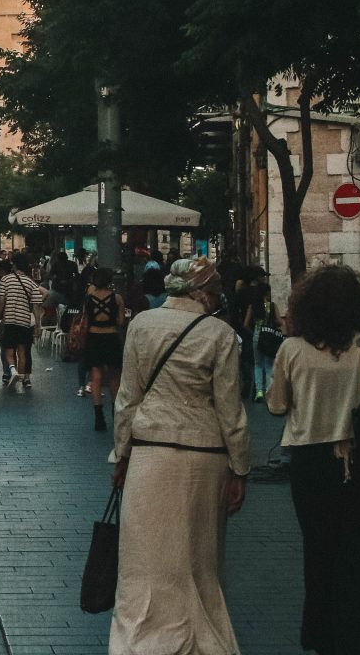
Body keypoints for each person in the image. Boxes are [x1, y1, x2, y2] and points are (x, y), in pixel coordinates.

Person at [109, 256, 251, 655]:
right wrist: (240, 467)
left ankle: (140, 638)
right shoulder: (220, 334)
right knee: (198, 559)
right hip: (205, 457)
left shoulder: (141, 325)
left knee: (145, 557)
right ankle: (197, 637)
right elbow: (230, 409)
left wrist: (121, 456)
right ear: (205, 293)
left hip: (149, 453)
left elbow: (128, 399)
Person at [263, 265, 360, 655]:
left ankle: (320, 634)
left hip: (311, 466)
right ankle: (356, 629)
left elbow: (276, 406)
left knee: (318, 549)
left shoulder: (292, 349)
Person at [80, 269, 126, 432]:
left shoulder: (88, 299)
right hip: (111, 337)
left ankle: (99, 417)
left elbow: (85, 319)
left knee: (96, 376)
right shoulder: (117, 299)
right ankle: (115, 411)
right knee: (114, 376)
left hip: (94, 338)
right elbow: (120, 321)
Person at [0, 257, 44, 391]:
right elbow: (36, 307)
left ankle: (13, 370)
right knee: (23, 351)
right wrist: (38, 325)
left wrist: (0, 317)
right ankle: (23, 377)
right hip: (24, 321)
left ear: (15, 266)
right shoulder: (32, 283)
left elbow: (2, 300)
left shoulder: (5, 280)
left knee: (8, 350)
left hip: (10, 319)